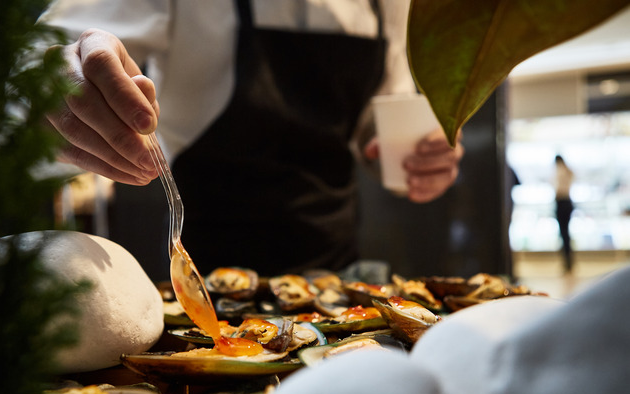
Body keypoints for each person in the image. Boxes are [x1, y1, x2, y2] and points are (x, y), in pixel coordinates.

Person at [38, 0, 464, 277]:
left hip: (335, 280)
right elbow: (38, 55)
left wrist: (414, 155)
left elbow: (378, 117)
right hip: (205, 278)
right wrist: (55, 75)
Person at [554, 154, 575, 272]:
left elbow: (558, 189)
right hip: (568, 202)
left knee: (563, 233)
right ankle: (568, 261)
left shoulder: (559, 170)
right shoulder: (568, 171)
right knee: (566, 233)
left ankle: (566, 262)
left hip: (562, 202)